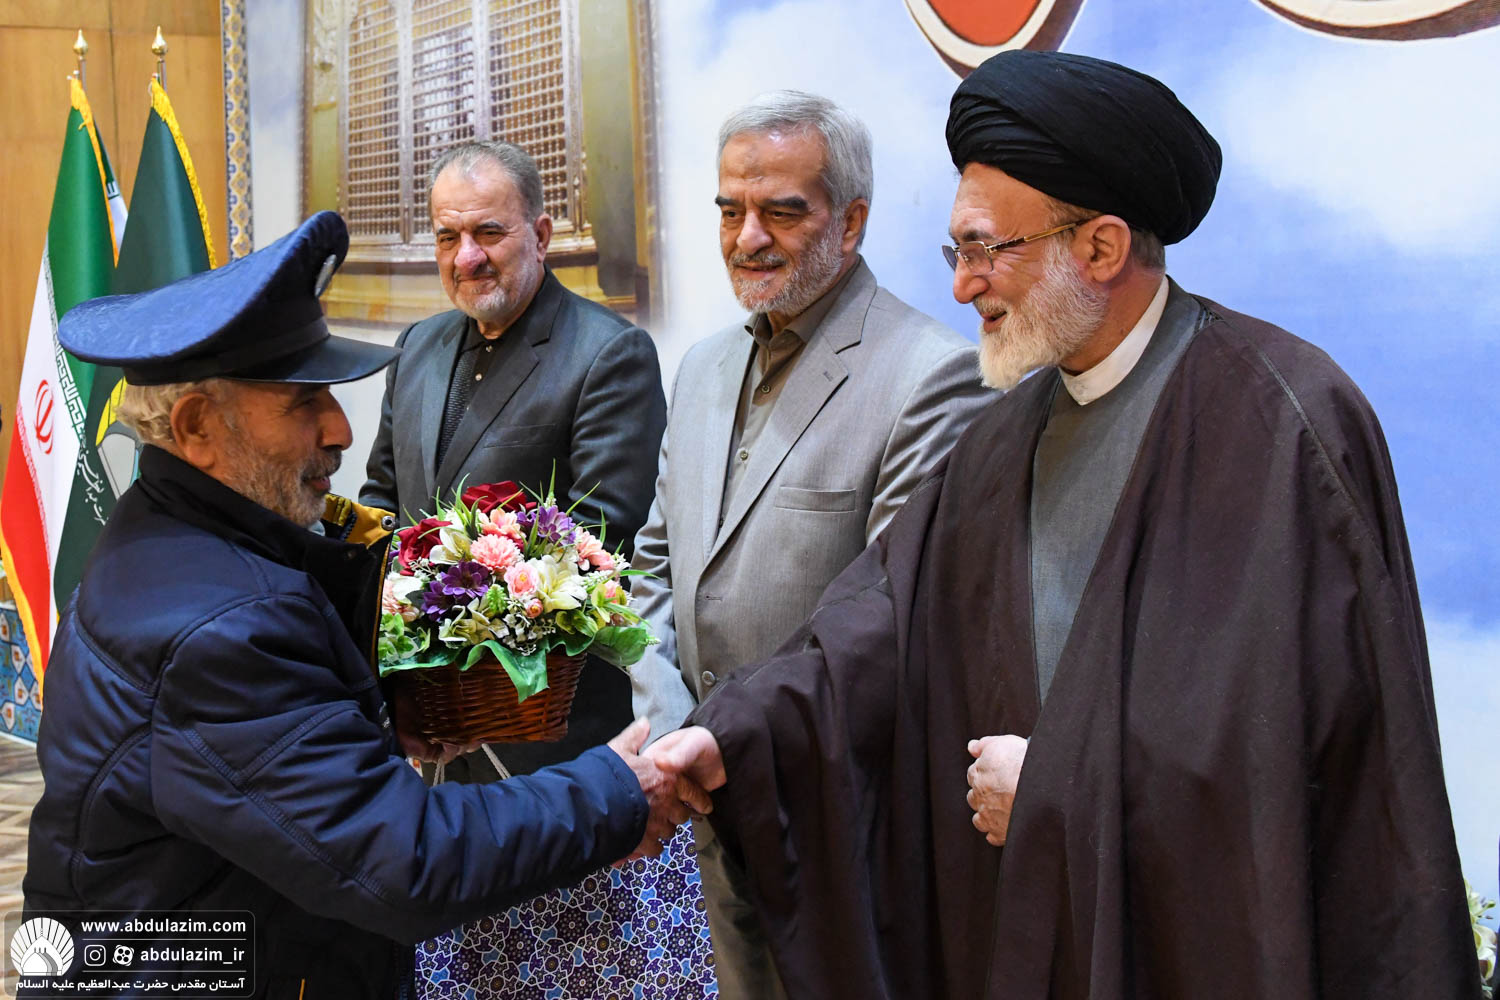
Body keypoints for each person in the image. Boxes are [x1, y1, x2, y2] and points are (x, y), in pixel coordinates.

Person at [650, 51, 1479, 999]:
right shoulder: (1004, 436)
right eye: (956, 253)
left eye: (986, 251)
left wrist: (1061, 792)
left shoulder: (1286, 420)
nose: (963, 288)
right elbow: (877, 626)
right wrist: (735, 733)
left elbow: (1313, 757)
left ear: (1101, 248)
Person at [23, 212, 702, 999]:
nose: (340, 429)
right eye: (303, 400)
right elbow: (404, 861)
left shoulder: (172, 535)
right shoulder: (218, 630)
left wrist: (373, 710)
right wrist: (616, 793)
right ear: (198, 426)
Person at [627, 90, 987, 999]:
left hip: (838, 820)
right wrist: (674, 738)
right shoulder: (703, 367)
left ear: (851, 221)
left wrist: (729, 741)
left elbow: (894, 621)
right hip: (706, 802)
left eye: (782, 211)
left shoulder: (931, 377)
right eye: (729, 210)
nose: (748, 238)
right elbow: (654, 568)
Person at [361, 140, 666, 780]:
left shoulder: (609, 354)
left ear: (541, 235)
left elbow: (600, 544)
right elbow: (383, 502)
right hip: (425, 725)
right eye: (448, 237)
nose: (466, 257)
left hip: (546, 734)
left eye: (489, 233)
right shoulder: (416, 347)